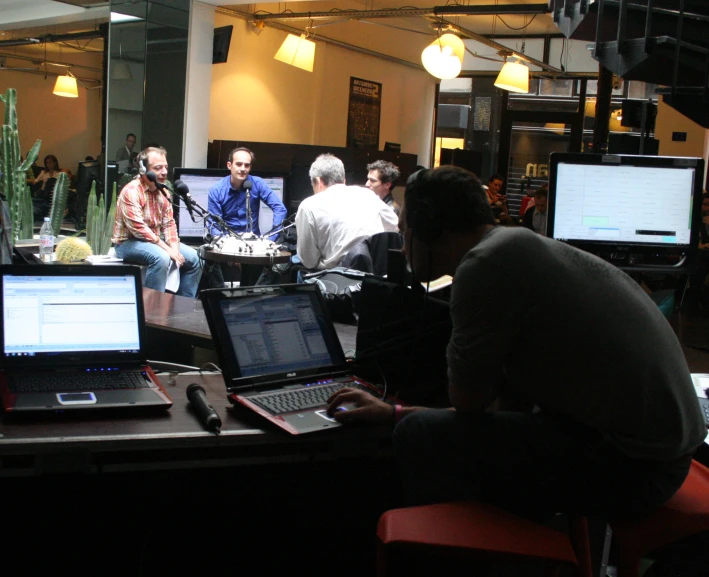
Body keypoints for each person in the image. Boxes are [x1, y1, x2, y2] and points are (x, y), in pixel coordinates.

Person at [327, 166, 705, 521]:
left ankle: (456, 554)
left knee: (417, 436)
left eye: (405, 228)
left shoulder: (485, 265)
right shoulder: (517, 246)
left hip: (633, 469)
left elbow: (468, 404)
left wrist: (396, 414)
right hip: (660, 454)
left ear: (429, 225)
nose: (404, 245)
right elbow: (504, 405)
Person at [112, 146, 202, 298]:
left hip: (154, 241)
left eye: (165, 167)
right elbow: (138, 229)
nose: (164, 172)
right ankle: (153, 313)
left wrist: (175, 248)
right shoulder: (131, 191)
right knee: (161, 258)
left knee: (196, 259)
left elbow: (169, 224)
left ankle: (183, 306)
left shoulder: (164, 191)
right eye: (158, 168)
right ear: (143, 169)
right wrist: (168, 250)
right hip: (127, 243)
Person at [295, 154, 399, 270]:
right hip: (373, 277)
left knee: (299, 270)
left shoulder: (308, 206)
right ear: (343, 180)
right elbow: (394, 226)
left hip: (335, 278)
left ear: (319, 182)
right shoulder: (368, 194)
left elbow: (309, 262)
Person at [207, 147, 287, 240]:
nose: (243, 168)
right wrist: (223, 242)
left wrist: (271, 238)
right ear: (229, 165)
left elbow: (280, 209)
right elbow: (213, 223)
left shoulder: (258, 183)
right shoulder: (216, 190)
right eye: (239, 164)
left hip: (254, 242)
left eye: (247, 165)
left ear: (250, 168)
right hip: (227, 242)